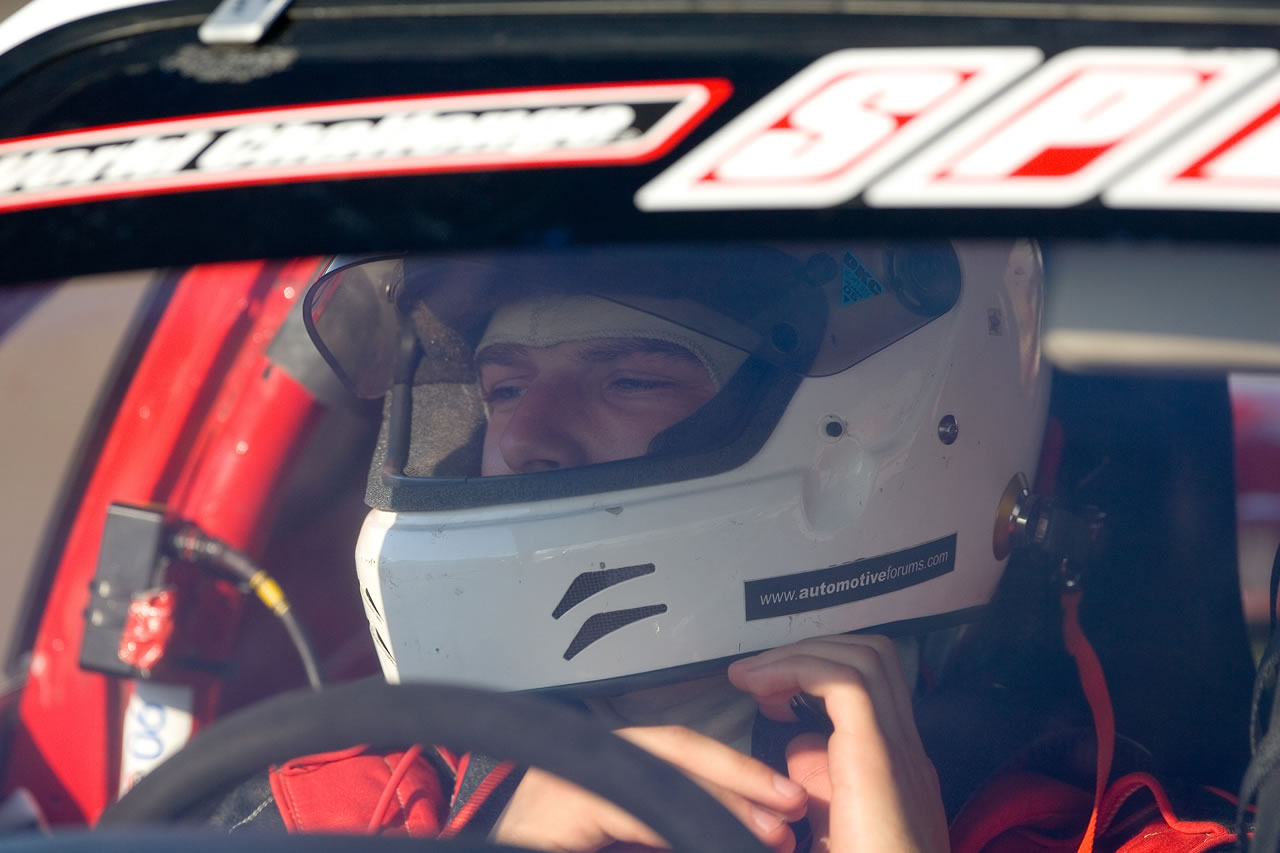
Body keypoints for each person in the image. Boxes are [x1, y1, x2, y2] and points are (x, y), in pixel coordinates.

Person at [213, 240, 1049, 853]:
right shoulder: (342, 816)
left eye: (630, 380)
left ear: (856, 436)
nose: (526, 439)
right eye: (505, 389)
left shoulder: (1073, 820)